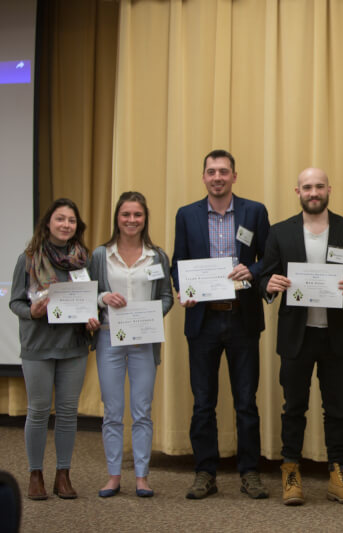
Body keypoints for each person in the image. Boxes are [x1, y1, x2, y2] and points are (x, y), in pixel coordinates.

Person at [259, 167, 343, 506]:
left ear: (329, 189)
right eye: (307, 187)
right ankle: (291, 474)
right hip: (297, 336)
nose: (313, 192)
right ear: (298, 191)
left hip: (336, 336)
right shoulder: (280, 232)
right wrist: (269, 285)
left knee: (337, 409)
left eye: (319, 186)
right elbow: (266, 276)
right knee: (293, 408)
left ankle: (338, 476)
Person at [171, 149, 270, 500]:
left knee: (246, 400)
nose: (217, 177)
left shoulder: (254, 212)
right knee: (203, 402)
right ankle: (205, 472)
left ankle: (250, 473)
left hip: (242, 318)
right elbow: (177, 264)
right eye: (211, 171)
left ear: (234, 176)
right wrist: (183, 289)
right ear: (203, 177)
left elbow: (268, 260)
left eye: (223, 171)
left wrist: (253, 270)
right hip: (203, 320)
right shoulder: (186, 215)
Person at [9, 198, 100, 500]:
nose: (65, 225)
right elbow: (15, 302)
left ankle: (64, 474)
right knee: (37, 411)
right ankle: (36, 474)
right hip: (38, 345)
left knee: (67, 413)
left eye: (71, 221)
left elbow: (89, 299)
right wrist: (31, 312)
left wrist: (91, 318)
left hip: (72, 345)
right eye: (60, 219)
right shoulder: (29, 258)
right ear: (48, 223)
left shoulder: (82, 259)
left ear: (77, 226)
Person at [89, 192, 174, 498]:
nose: (131, 220)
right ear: (117, 218)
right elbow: (90, 293)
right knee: (112, 410)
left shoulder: (157, 256)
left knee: (142, 410)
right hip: (109, 337)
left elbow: (167, 296)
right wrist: (102, 299)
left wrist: (152, 316)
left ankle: (142, 477)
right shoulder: (101, 255)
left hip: (144, 341)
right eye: (126, 214)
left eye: (137, 215)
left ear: (144, 218)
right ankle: (113, 476)